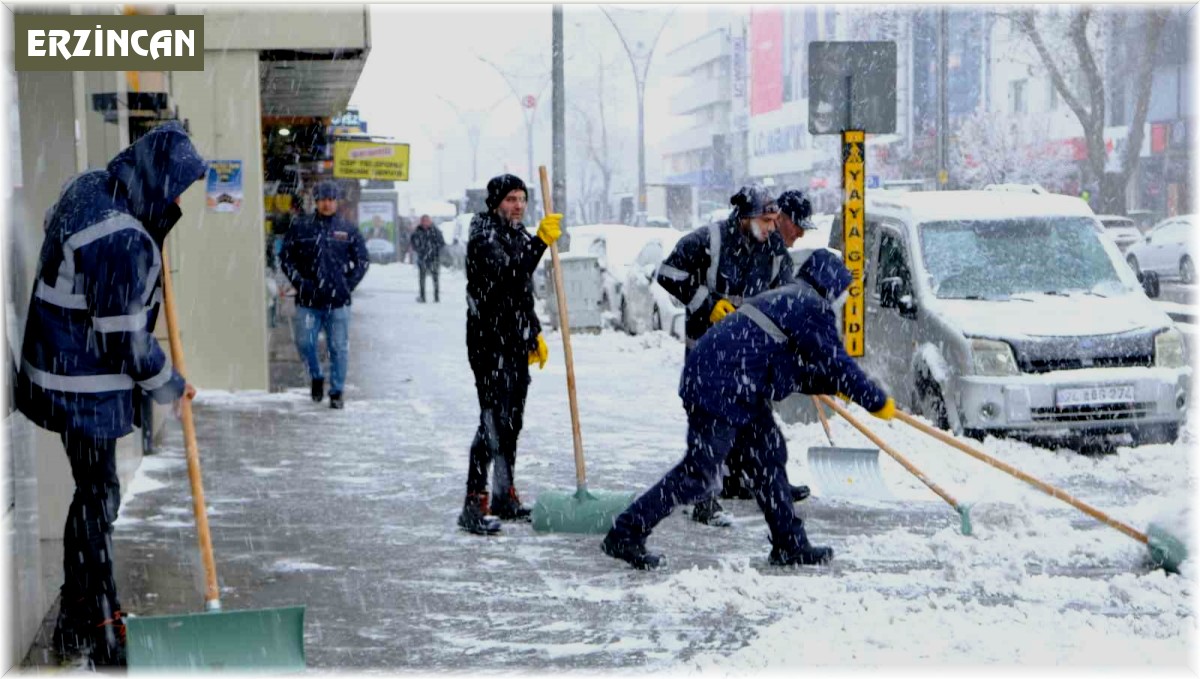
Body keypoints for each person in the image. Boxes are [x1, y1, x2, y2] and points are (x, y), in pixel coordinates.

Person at [14, 121, 206, 666]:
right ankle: (100, 619)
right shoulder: (123, 237)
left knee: (92, 492)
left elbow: (61, 235)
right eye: (175, 186)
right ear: (156, 177)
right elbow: (122, 337)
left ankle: (79, 618)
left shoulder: (89, 187)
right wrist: (168, 383)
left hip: (51, 368)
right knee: (99, 498)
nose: (176, 198)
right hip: (83, 386)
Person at [603, 249, 894, 570]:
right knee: (699, 474)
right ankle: (626, 533)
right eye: (842, 289)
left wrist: (834, 383)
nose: (842, 297)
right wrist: (875, 401)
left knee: (768, 458)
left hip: (732, 382)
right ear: (830, 283)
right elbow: (838, 363)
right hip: (722, 387)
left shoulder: (788, 298)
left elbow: (790, 369)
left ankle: (789, 544)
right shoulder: (810, 306)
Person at [654, 184, 809, 527]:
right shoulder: (709, 240)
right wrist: (706, 305)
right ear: (746, 217)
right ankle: (704, 498)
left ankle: (754, 484)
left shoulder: (774, 250)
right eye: (765, 220)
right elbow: (668, 274)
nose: (771, 227)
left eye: (774, 221)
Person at [459, 174, 562, 535]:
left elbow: (521, 293)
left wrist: (532, 332)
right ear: (494, 203)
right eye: (510, 199)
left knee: (512, 422)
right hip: (488, 344)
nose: (518, 206)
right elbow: (507, 275)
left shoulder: (516, 234)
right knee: (492, 423)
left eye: (522, 199)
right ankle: (474, 504)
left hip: (515, 341)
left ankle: (505, 495)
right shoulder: (483, 237)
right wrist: (539, 244)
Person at [280, 180, 370, 410]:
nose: (327, 204)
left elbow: (362, 260)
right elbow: (286, 258)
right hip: (308, 301)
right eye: (323, 200)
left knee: (338, 348)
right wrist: (300, 283)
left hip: (338, 302)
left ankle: (337, 391)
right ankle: (317, 376)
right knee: (305, 343)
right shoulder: (301, 227)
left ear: (336, 202)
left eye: (331, 200)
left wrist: (346, 285)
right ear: (316, 201)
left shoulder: (347, 229)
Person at [410, 214, 446, 303]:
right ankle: (422, 297)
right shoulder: (417, 231)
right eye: (423, 221)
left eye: (426, 221)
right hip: (422, 258)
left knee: (435, 278)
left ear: (430, 222)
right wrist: (419, 249)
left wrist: (433, 249)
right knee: (422, 278)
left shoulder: (435, 231)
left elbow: (442, 243)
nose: (425, 223)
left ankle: (436, 297)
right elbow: (413, 242)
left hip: (434, 258)